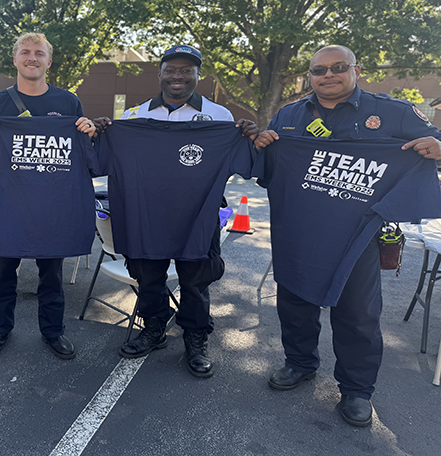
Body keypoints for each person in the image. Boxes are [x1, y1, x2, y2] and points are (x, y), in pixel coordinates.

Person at [255, 45, 441, 426]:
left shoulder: (393, 112)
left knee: (358, 315)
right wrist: (263, 143)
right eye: (318, 70)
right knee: (294, 304)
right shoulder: (289, 115)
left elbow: (434, 143)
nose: (328, 75)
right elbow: (269, 165)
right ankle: (300, 363)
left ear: (356, 70)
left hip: (358, 237)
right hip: (297, 233)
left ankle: (357, 390)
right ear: (309, 76)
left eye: (338, 67)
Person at [93, 45, 258, 378]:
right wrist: (101, 133)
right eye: (172, 69)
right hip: (145, 215)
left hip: (196, 216)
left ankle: (195, 339)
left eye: (187, 70)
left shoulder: (220, 118)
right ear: (160, 74)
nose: (178, 76)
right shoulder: (133, 117)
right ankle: (153, 328)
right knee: (149, 277)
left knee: (196, 282)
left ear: (198, 75)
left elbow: (243, 162)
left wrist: (248, 137)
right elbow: (105, 157)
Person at [0, 32, 95, 359]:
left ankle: (53, 331)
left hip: (52, 207)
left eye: (39, 53)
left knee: (51, 276)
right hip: (9, 206)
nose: (32, 58)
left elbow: (83, 151)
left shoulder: (68, 102)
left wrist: (88, 130)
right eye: (25, 52)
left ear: (48, 61)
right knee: (2, 274)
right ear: (15, 59)